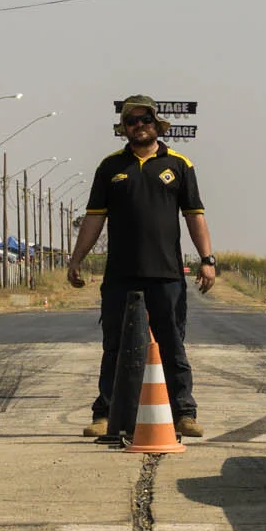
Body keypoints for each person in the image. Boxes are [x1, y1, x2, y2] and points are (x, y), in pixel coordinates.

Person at [65, 95, 216, 440]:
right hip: (120, 273)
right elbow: (93, 220)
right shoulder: (110, 168)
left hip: (167, 274)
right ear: (124, 128)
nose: (139, 126)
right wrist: (76, 260)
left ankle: (184, 413)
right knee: (114, 345)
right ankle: (105, 413)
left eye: (145, 119)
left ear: (156, 123)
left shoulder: (179, 165)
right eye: (131, 121)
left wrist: (207, 261)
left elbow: (195, 218)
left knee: (172, 343)